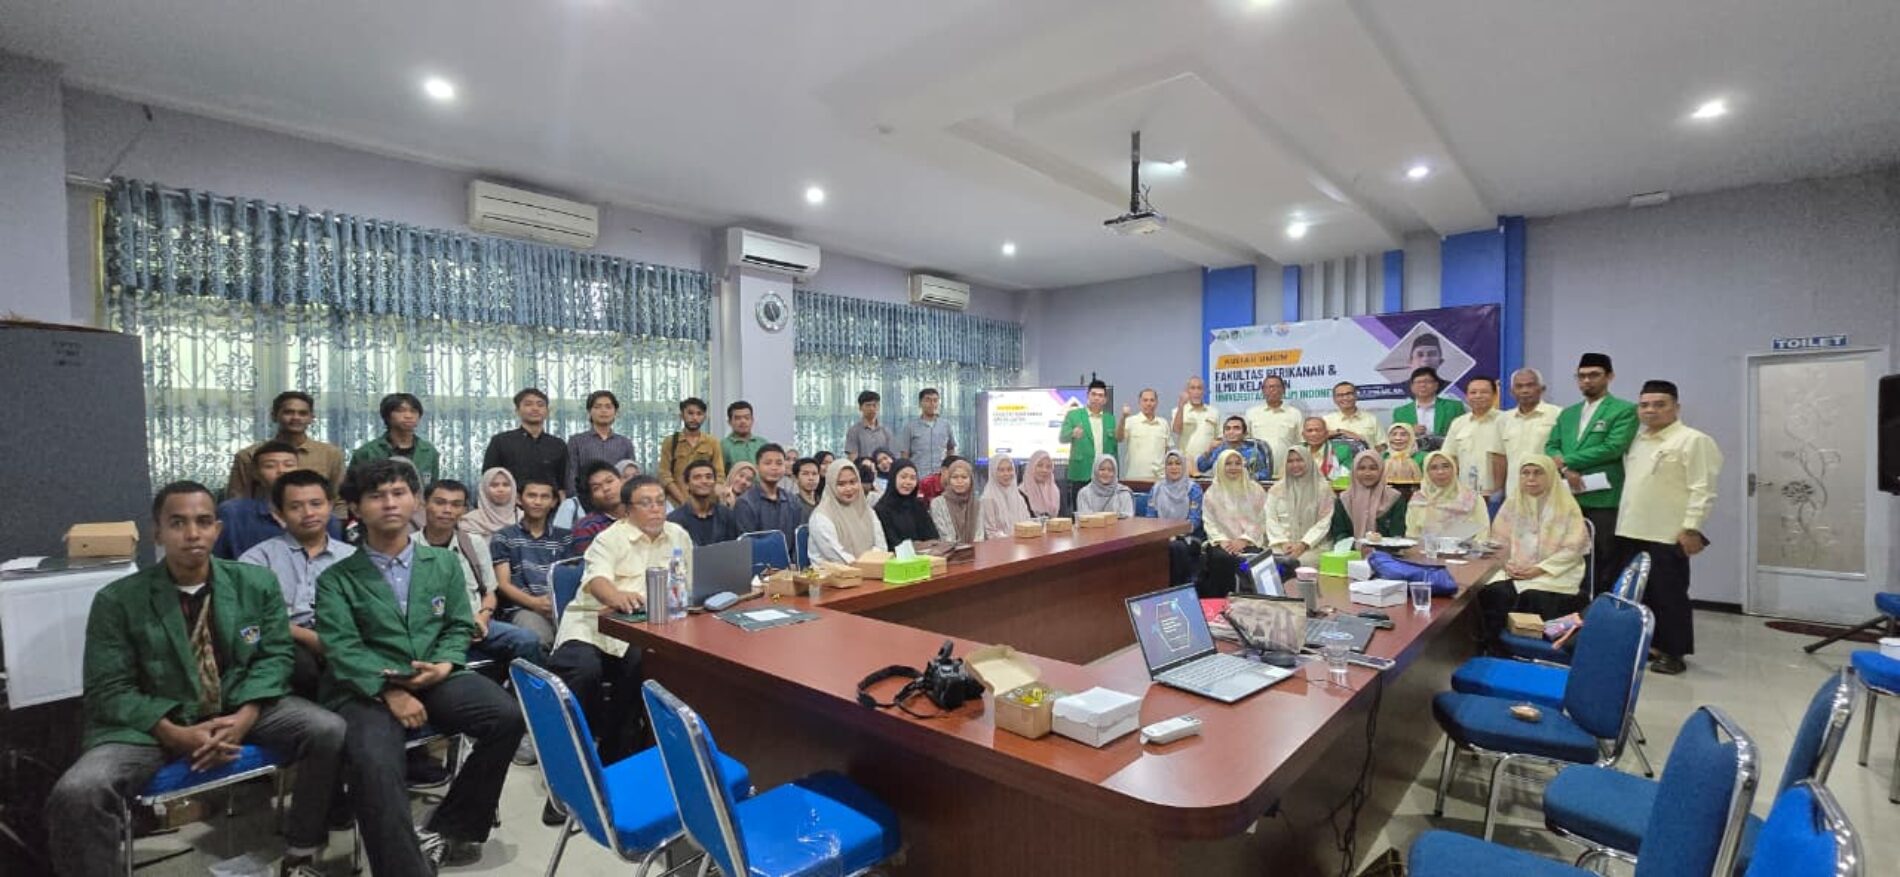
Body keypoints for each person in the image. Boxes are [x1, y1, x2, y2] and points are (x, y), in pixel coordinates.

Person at [48, 482, 346, 877]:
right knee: (77, 791)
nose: (192, 534)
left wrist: (246, 716)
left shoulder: (254, 584)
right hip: (153, 723)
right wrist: (173, 732)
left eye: (203, 522)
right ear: (157, 532)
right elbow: (108, 689)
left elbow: (275, 656)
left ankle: (301, 850)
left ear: (217, 529)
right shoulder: (118, 600)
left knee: (328, 729)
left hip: (239, 705)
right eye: (178, 523)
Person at [315, 461, 525, 873]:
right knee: (375, 762)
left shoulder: (443, 563)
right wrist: (389, 691)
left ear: (413, 500)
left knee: (507, 717)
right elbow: (341, 648)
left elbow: (458, 624)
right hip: (368, 688)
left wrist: (446, 664)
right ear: (356, 508)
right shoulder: (336, 578)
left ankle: (456, 827)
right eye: (376, 496)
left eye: (398, 493)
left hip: (435, 674)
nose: (389, 503)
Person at [551, 475, 689, 769]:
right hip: (592, 624)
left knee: (647, 664)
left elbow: (689, 579)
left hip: (646, 628)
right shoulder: (610, 537)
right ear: (627, 510)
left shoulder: (678, 534)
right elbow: (597, 579)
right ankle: (570, 763)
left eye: (660, 502)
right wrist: (615, 595)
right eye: (646, 503)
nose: (656, 509)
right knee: (584, 672)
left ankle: (619, 755)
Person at [1615, 380, 1722, 676]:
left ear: (1676, 407)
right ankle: (1652, 646)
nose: (1651, 410)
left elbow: (1703, 488)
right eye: (1645, 405)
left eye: (1659, 404)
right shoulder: (1638, 441)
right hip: (1632, 529)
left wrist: (1691, 528)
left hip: (1667, 532)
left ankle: (1674, 653)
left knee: (1669, 595)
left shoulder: (1693, 440)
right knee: (1642, 594)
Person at [413, 480, 545, 718]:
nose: (447, 510)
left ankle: (524, 712)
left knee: (527, 640)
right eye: (440, 502)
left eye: (456, 505)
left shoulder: (473, 543)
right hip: (431, 630)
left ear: (464, 510)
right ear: (425, 505)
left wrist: (483, 617)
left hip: (477, 621)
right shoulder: (409, 547)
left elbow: (489, 592)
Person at [238, 470, 356, 697]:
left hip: (342, 639)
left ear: (330, 506)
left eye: (316, 503)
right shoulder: (257, 559)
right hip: (286, 641)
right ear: (278, 514)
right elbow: (253, 619)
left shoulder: (352, 557)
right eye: (296, 507)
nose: (308, 513)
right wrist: (310, 638)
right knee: (301, 664)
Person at [1545, 353, 1638, 597]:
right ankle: (1570, 608)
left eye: (1594, 375)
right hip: (1567, 497)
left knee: (1603, 559)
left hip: (1603, 500)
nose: (1587, 381)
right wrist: (1565, 469)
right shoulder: (1568, 413)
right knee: (1567, 554)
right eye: (1582, 376)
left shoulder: (1624, 410)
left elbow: (1613, 447)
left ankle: (1599, 611)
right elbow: (1551, 446)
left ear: (1609, 377)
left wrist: (1567, 460)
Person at [1475, 455, 1590, 650]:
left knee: (1530, 596)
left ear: (1551, 476)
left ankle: (1509, 649)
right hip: (1514, 570)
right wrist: (1507, 564)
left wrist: (1540, 569)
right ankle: (1490, 648)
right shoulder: (1513, 503)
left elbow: (1574, 549)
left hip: (1554, 574)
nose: (1531, 478)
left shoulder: (1567, 505)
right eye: (1525, 473)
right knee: (1492, 591)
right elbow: (1498, 541)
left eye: (1538, 473)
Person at [490, 478, 569, 648]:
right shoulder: (504, 537)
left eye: (544, 497)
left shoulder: (565, 537)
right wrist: (535, 603)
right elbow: (502, 584)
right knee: (539, 638)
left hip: (561, 606)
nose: (538, 502)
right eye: (532, 495)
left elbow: (572, 578)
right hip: (522, 608)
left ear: (554, 501)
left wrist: (557, 605)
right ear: (519, 499)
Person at [226, 390, 345, 501]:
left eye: (302, 413)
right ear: (274, 416)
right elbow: (237, 499)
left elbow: (338, 499)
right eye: (288, 412)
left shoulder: (330, 454)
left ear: (311, 418)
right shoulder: (248, 455)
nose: (296, 418)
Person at [215, 440, 312, 559]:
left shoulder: (319, 516)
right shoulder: (233, 513)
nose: (281, 470)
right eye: (270, 466)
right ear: (256, 474)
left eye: (289, 465)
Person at [1200, 449, 1270, 598]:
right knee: (1221, 558)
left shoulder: (1255, 490)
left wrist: (1244, 540)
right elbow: (1209, 521)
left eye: (1237, 463)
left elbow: (1262, 519)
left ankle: (1249, 603)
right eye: (1228, 464)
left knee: (1251, 560)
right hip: (1221, 543)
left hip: (1250, 541)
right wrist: (1223, 541)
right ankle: (1220, 604)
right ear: (1220, 467)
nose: (1233, 467)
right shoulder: (1212, 493)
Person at [482, 388, 569, 502]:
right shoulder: (501, 441)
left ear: (547, 411)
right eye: (528, 404)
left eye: (540, 405)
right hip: (510, 505)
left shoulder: (558, 444)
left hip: (548, 506)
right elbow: (489, 477)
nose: (535, 408)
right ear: (517, 410)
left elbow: (562, 482)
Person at [1442, 375, 1509, 516]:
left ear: (1495, 395)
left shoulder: (1507, 421)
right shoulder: (1458, 423)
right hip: (1464, 496)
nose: (1478, 396)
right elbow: (1449, 457)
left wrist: (1498, 491)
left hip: (1498, 497)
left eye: (1484, 392)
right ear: (1466, 396)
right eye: (1473, 392)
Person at [350, 392, 440, 485]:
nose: (408, 416)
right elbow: (352, 489)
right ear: (387, 416)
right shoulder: (367, 452)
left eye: (413, 411)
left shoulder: (429, 452)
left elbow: (432, 489)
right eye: (401, 411)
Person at [1266, 447, 1335, 568]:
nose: (1295, 465)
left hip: (1314, 546)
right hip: (1282, 544)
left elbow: (1324, 522)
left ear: (1308, 461)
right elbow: (1270, 519)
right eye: (1290, 461)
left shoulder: (1323, 489)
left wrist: (1303, 544)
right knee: (1268, 563)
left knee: (1296, 564)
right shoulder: (1276, 489)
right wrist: (1283, 542)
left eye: (1299, 460)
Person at [808, 459, 888, 563]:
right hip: (832, 575)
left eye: (853, 482)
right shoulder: (821, 516)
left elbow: (881, 546)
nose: (849, 488)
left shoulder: (867, 511)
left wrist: (872, 563)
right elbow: (836, 556)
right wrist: (864, 565)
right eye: (841, 484)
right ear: (831, 485)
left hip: (870, 571)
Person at [1146, 450, 1205, 587]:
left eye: (1178, 464)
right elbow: (1150, 517)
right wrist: (1161, 535)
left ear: (1184, 466)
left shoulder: (1193, 489)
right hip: (1161, 535)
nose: (1174, 467)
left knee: (1175, 547)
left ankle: (1178, 589)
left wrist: (1174, 534)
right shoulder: (1157, 488)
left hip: (1188, 537)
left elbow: (1194, 521)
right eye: (1170, 464)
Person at [1501, 368, 1560, 498]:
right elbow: (1501, 459)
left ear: (1542, 389)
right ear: (1512, 392)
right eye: (1519, 386)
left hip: (1550, 493)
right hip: (1514, 494)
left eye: (1530, 385)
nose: (1525, 390)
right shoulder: (1503, 419)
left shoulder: (1558, 415)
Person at [1406, 451, 1491, 541]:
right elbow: (1412, 535)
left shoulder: (1473, 499)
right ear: (1426, 472)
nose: (1440, 472)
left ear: (1454, 469)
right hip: (1425, 552)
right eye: (1434, 468)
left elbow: (1483, 531)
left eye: (1446, 466)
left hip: (1466, 552)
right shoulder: (1419, 500)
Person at [566, 390, 636, 499]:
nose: (603, 411)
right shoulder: (576, 441)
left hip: (618, 500)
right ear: (589, 412)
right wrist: (576, 501)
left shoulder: (625, 443)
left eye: (608, 407)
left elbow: (631, 476)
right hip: (586, 499)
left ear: (615, 412)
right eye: (598, 407)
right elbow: (571, 475)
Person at [1059, 380, 1117, 513]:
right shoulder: (1074, 415)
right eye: (1094, 394)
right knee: (1080, 513)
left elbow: (1114, 447)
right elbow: (1062, 437)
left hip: (1104, 475)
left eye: (1100, 395)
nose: (1097, 398)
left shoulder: (1110, 418)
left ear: (1105, 399)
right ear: (1088, 395)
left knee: (1103, 513)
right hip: (1081, 472)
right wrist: (1072, 433)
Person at [735, 443, 806, 548]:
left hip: (790, 563)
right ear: (757, 467)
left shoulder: (793, 501)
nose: (774, 468)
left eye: (779, 463)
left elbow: (799, 541)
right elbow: (746, 545)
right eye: (768, 463)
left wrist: (794, 563)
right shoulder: (745, 503)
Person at [658, 397, 725, 507]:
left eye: (699, 414)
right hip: (676, 504)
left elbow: (719, 474)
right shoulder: (670, 442)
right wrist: (682, 500)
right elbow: (664, 475)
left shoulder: (712, 442)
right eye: (690, 413)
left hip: (706, 504)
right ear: (682, 415)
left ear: (704, 417)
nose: (694, 418)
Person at [1330, 451, 1408, 543]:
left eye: (1373, 468)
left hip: (1387, 554)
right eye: (1361, 468)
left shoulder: (1394, 498)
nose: (1367, 473)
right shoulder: (1344, 499)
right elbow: (1339, 534)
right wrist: (1356, 547)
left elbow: (1397, 535)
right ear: (1354, 471)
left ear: (1381, 471)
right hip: (1350, 553)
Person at [666, 459, 741, 546]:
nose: (704, 481)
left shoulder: (727, 516)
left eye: (708, 477)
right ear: (687, 485)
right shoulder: (674, 521)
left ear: (714, 482)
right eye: (697, 477)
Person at [567, 460, 627, 557]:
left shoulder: (640, 514)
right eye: (596, 488)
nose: (606, 488)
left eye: (610, 481)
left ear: (622, 481)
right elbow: (589, 567)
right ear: (591, 498)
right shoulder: (586, 527)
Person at [875, 459, 939, 546]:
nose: (908, 482)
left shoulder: (918, 505)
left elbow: (933, 536)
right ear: (893, 478)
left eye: (912, 478)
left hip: (927, 556)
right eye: (903, 477)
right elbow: (891, 542)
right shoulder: (881, 509)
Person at [1393, 367, 1465, 441]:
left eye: (1427, 381)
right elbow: (1395, 438)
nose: (1422, 385)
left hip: (1446, 451)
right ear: (1412, 387)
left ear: (1436, 385)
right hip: (1413, 451)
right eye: (1418, 382)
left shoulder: (1454, 407)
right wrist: (1409, 432)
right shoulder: (1400, 412)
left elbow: (1463, 433)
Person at [1170, 376, 1222, 475]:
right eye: (1193, 388)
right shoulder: (1177, 411)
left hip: (1208, 465)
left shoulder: (1214, 412)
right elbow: (1176, 430)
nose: (1196, 392)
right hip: (1185, 464)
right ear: (1187, 391)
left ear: (1204, 391)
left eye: (1199, 388)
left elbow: (1220, 437)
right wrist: (1181, 406)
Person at [899, 388, 957, 477]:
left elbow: (951, 449)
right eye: (928, 400)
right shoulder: (910, 427)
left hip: (940, 477)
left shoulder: (946, 425)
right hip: (918, 476)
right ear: (920, 403)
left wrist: (948, 468)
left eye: (935, 400)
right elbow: (904, 455)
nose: (932, 404)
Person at [1196, 416, 1274, 482]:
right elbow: (1201, 468)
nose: (1231, 432)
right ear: (1224, 433)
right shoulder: (1218, 450)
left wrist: (1249, 477)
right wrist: (1208, 450)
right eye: (1228, 429)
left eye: (1236, 428)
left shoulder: (1252, 452)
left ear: (1245, 433)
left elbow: (1265, 474)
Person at [1244, 375, 1303, 460]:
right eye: (1269, 387)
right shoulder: (1251, 413)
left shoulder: (1295, 413)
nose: (1273, 390)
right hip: (1259, 467)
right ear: (1263, 391)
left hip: (1287, 467)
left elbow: (1301, 442)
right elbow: (1245, 443)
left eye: (1277, 387)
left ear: (1283, 390)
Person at [1116, 388, 1170, 481]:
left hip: (1159, 480)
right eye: (1145, 400)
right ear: (1139, 402)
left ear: (1156, 403)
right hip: (1135, 478)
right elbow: (1119, 438)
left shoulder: (1163, 423)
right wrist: (1123, 418)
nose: (1148, 403)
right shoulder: (1130, 421)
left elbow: (1167, 450)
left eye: (1152, 400)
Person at [928, 458, 984, 543]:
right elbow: (945, 537)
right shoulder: (937, 504)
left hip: (975, 552)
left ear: (971, 480)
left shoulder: (977, 503)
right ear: (949, 480)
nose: (959, 481)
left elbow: (979, 536)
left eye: (964, 477)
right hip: (949, 553)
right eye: (955, 477)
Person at [980, 454, 1033, 538]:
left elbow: (1027, 523)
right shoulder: (987, 498)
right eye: (1001, 470)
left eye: (1009, 469)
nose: (1006, 474)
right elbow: (990, 532)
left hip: (1022, 544)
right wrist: (1012, 540)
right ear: (993, 472)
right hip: (1000, 547)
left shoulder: (1018, 497)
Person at [460, 467, 521, 539]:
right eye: (494, 485)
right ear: (484, 489)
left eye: (506, 485)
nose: (501, 489)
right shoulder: (470, 522)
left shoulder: (525, 519)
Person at [1324, 382, 1384, 451]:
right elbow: (1316, 439)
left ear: (1356, 396)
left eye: (1349, 394)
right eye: (1340, 395)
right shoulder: (1326, 420)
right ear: (1334, 399)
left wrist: (1371, 454)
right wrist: (1341, 432)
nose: (1345, 398)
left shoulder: (1371, 419)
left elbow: (1383, 444)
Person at [1297, 416, 1352, 482]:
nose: (1314, 434)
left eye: (1318, 430)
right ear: (1303, 435)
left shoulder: (1342, 451)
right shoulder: (1297, 451)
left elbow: (1346, 480)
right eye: (1309, 430)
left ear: (1326, 433)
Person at [844, 390, 896, 461]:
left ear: (878, 407)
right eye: (868, 405)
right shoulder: (854, 431)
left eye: (874, 405)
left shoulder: (886, 431)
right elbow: (852, 458)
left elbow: (892, 456)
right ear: (860, 408)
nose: (871, 408)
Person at [721, 400, 767, 468]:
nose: (743, 421)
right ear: (729, 422)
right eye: (738, 418)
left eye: (747, 418)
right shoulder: (723, 446)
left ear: (752, 420)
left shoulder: (763, 443)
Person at [1021, 450, 1063, 517]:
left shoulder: (1055, 492)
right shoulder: (1021, 493)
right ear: (1032, 467)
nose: (1044, 470)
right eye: (1040, 465)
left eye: (1048, 467)